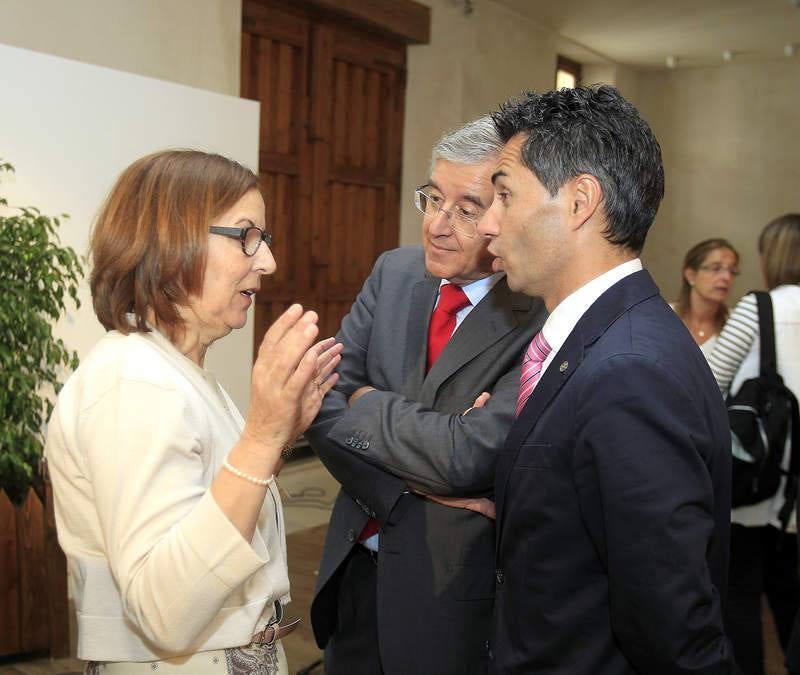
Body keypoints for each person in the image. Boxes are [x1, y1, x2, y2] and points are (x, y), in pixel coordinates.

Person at [45, 150, 342, 674]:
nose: (268, 261)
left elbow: (199, 508)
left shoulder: (174, 370)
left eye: (265, 239)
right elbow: (165, 609)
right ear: (172, 238)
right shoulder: (134, 382)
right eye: (248, 235)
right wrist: (261, 437)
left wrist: (273, 444)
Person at [478, 85, 738, 674]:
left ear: (579, 202)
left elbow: (674, 628)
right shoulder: (602, 337)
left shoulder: (630, 371)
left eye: (504, 195)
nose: (487, 224)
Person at [304, 116, 547, 675]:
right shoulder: (394, 272)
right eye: (432, 199)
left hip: (448, 594)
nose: (438, 225)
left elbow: (470, 457)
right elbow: (318, 400)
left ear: (504, 212)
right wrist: (409, 483)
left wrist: (364, 399)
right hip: (352, 571)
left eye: (466, 209)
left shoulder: (537, 310)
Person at [707, 214, 800, 675]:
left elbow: (709, 380)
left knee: (740, 600)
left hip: (753, 484)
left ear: (773, 256)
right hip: (794, 498)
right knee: (792, 608)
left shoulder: (759, 308)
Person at [672, 238, 740, 358]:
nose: (726, 277)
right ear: (690, 275)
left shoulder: (737, 324)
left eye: (732, 271)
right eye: (716, 268)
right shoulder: (663, 316)